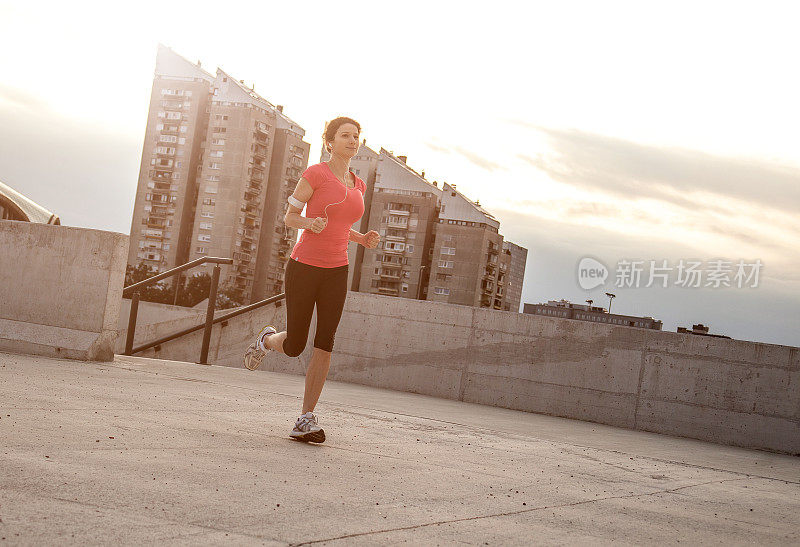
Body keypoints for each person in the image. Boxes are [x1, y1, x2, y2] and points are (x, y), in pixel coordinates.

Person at [242, 116, 380, 443]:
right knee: (294, 345)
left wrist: (361, 239)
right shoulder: (315, 174)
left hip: (337, 270)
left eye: (356, 136)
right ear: (330, 142)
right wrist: (308, 223)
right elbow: (289, 217)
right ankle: (267, 340)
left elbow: (340, 226)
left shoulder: (358, 184)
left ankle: (305, 418)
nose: (352, 140)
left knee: (326, 342)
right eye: (345, 135)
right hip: (303, 267)